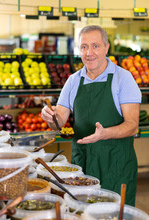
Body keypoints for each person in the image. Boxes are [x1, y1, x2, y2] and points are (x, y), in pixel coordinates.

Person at [41, 25, 142, 206]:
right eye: (84, 47)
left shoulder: (123, 79)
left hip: (115, 163)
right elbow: (59, 122)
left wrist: (105, 134)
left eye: (95, 46)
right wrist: (51, 118)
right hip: (83, 164)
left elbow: (132, 125)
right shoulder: (73, 81)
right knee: (82, 215)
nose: (89, 52)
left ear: (106, 48)